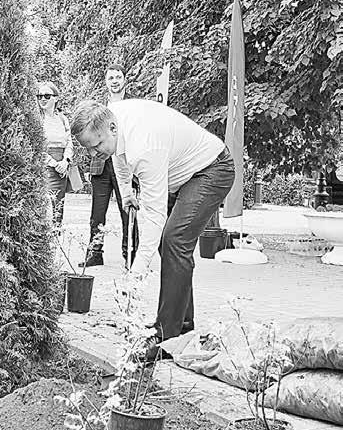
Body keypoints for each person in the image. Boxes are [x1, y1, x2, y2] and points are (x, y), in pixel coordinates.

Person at [70, 99, 235, 357]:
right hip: (182, 176)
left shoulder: (145, 147)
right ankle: (182, 324)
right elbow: (118, 157)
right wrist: (126, 192)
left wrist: (136, 273)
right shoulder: (114, 120)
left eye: (97, 145)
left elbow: (154, 218)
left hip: (212, 170)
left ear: (112, 128)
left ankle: (167, 337)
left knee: (174, 240)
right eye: (88, 148)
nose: (93, 154)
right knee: (170, 245)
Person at [81, 64, 139, 269]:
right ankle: (94, 253)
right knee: (97, 213)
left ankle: (130, 254)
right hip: (101, 166)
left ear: (124, 80)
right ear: (106, 82)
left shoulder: (133, 105)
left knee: (127, 210)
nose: (114, 81)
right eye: (111, 78)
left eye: (118, 77)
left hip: (124, 164)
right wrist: (88, 166)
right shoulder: (99, 107)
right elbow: (89, 135)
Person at [38, 81, 82, 225]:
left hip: (62, 169)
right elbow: (37, 147)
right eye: (39, 96)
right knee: (47, 206)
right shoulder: (38, 120)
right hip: (45, 167)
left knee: (59, 205)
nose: (42, 99)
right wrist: (53, 163)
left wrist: (65, 161)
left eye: (46, 96)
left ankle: (57, 235)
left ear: (56, 98)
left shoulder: (62, 119)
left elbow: (69, 142)